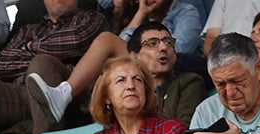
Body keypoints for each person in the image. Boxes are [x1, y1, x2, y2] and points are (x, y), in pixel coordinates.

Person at [27, 0, 204, 121]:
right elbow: (125, 40)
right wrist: (141, 12)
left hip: (182, 64)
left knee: (106, 41)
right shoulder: (144, 18)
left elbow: (177, 51)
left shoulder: (185, 11)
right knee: (112, 62)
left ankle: (64, 93)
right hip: (149, 69)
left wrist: (150, 46)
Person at [0, 0, 109, 134]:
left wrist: (29, 47)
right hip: (23, 94)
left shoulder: (91, 18)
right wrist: (39, 60)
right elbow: (2, 63)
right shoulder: (28, 30)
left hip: (70, 93)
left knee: (42, 64)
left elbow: (74, 40)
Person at [129, 22, 208, 123]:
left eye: (168, 42)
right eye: (152, 43)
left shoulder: (188, 83)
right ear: (134, 56)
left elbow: (185, 130)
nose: (163, 48)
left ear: (175, 54)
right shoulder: (128, 90)